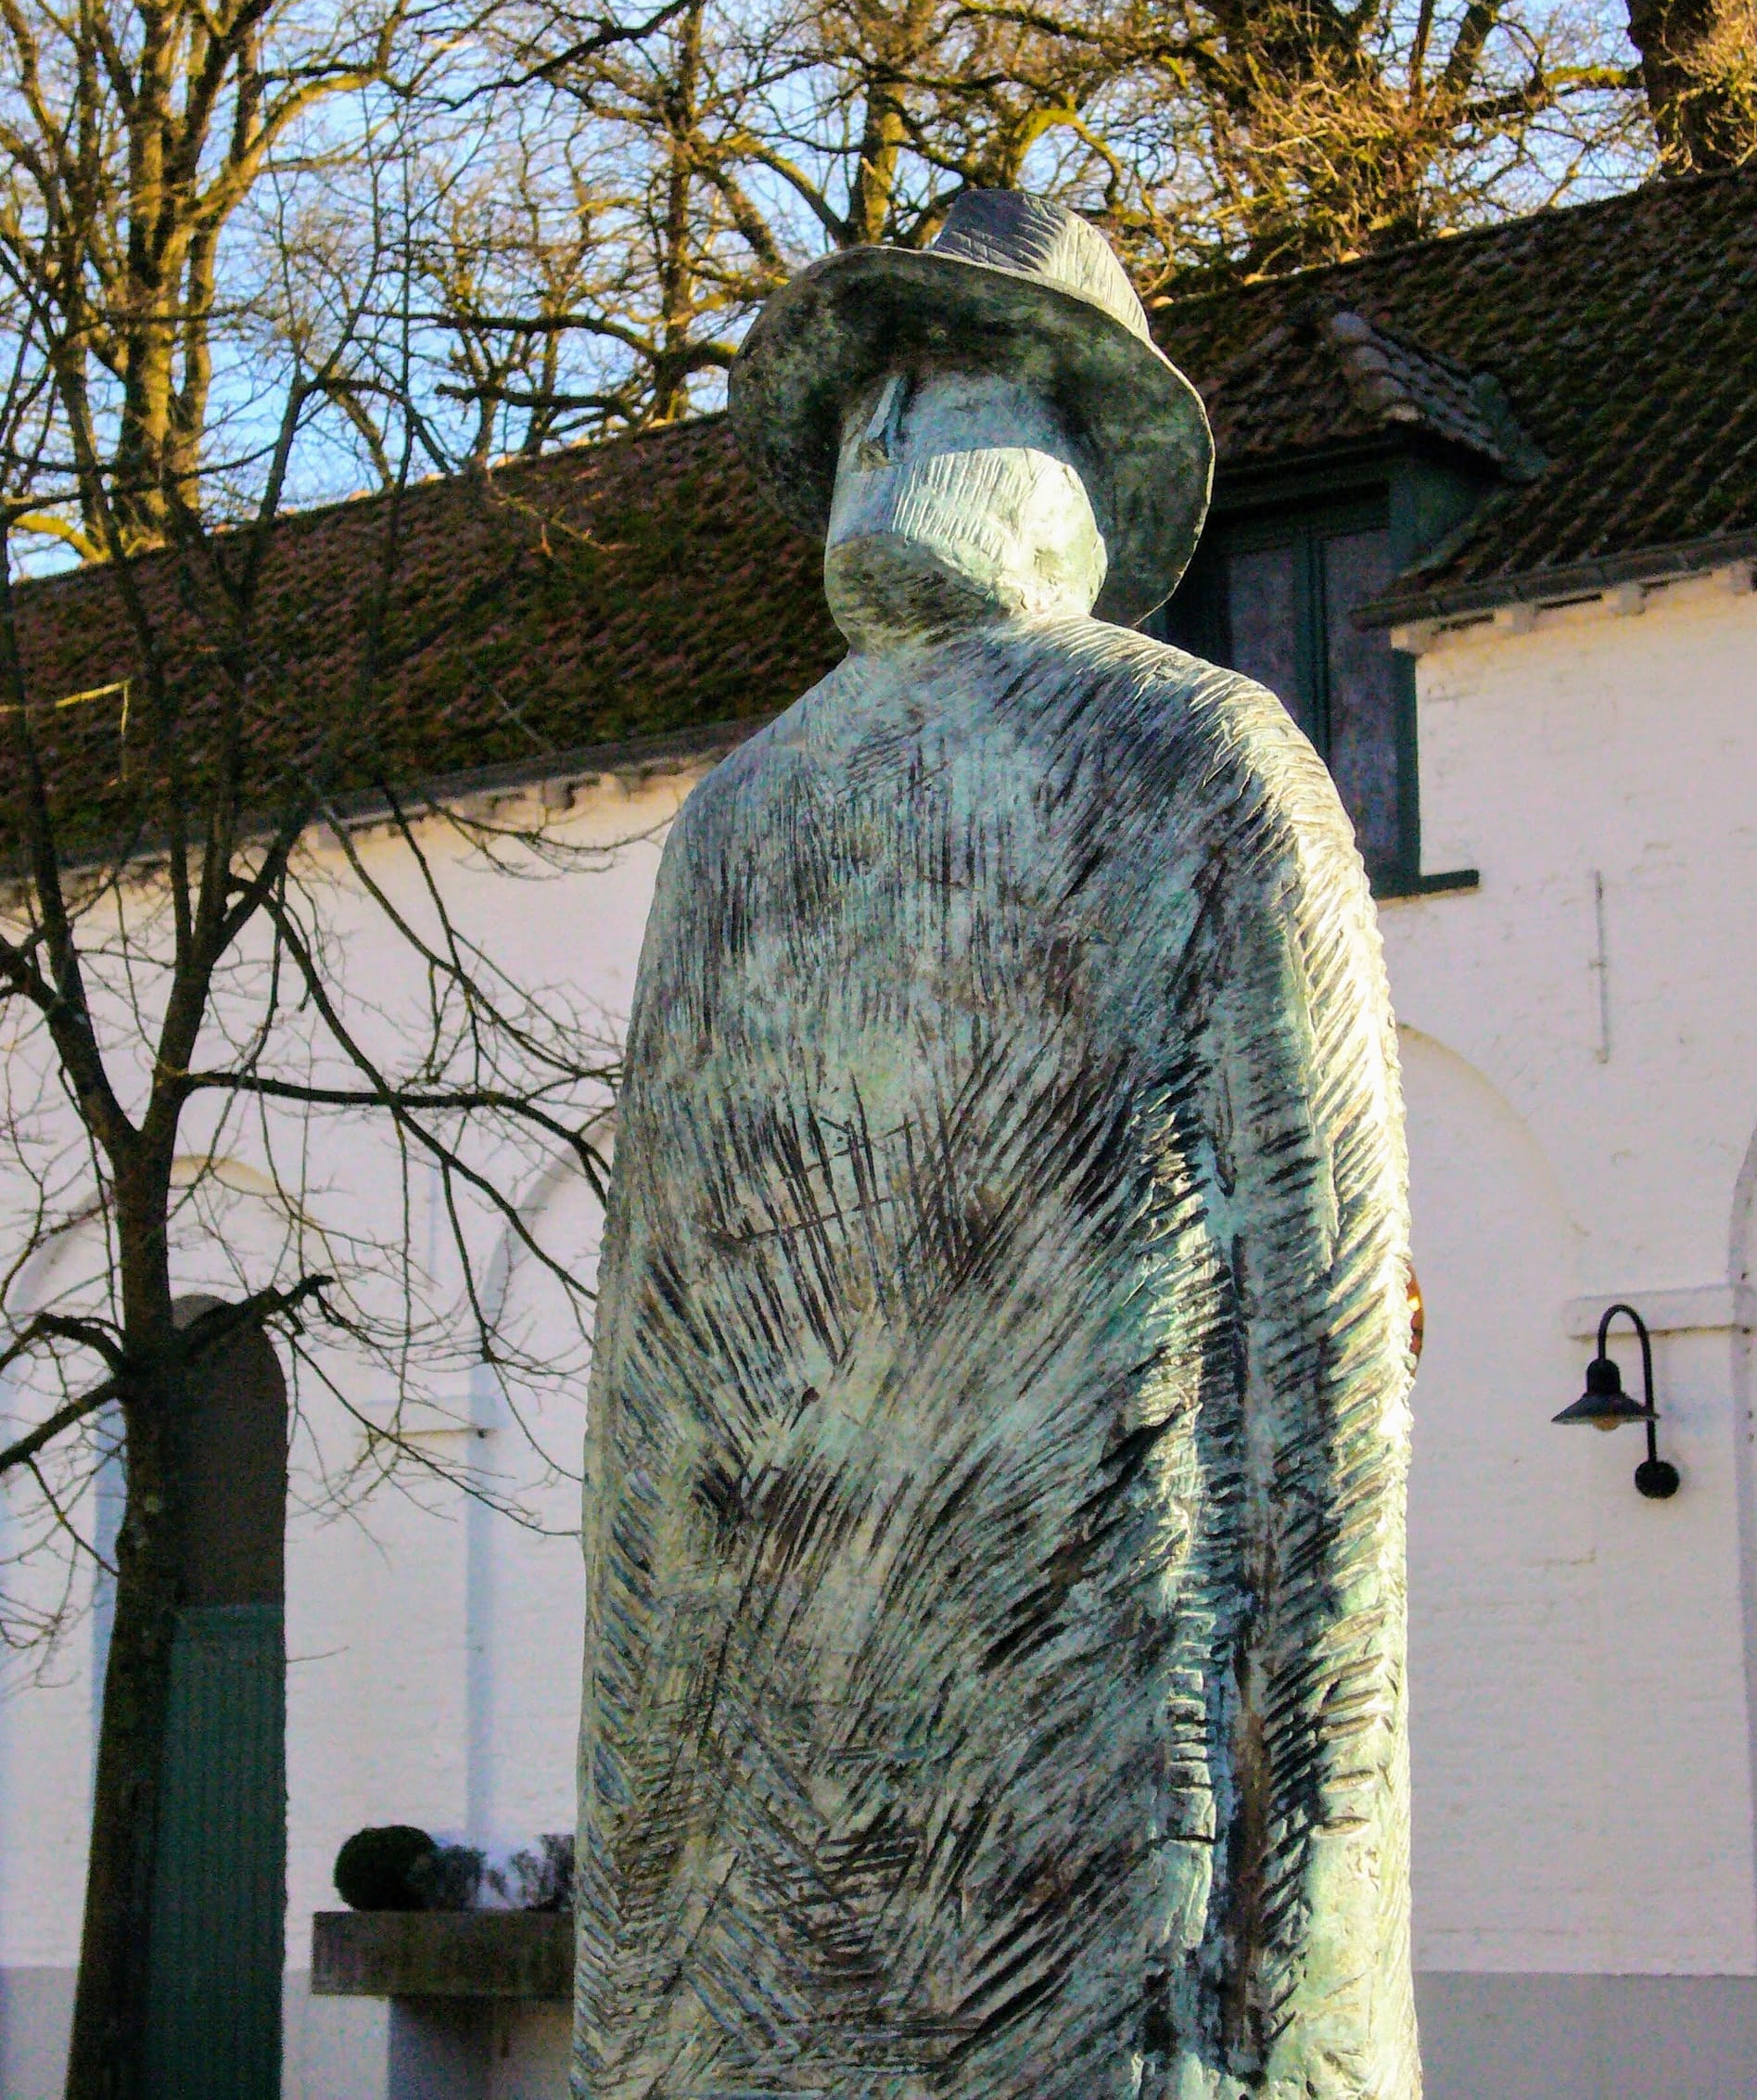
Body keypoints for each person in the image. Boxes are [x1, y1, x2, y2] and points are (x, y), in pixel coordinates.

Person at [575, 193, 1420, 2100]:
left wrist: (1295, 1930)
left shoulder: (1201, 760)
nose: (878, 432)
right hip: (765, 1922)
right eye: (861, 399)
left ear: (1076, 453)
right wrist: (629, 1973)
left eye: (942, 380)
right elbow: (643, 1414)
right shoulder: (733, 830)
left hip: (1106, 1867)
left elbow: (1326, 1367)